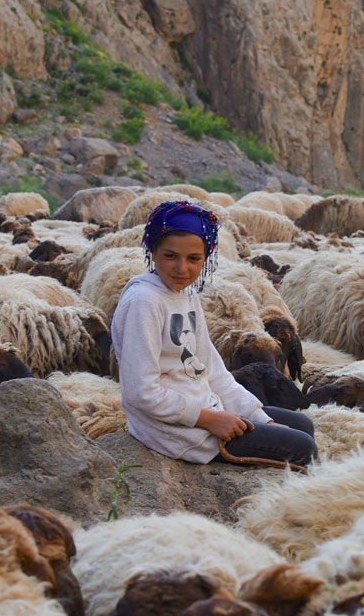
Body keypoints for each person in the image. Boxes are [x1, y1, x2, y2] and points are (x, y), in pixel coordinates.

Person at [109, 200, 318, 467]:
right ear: (152, 250)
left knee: (301, 424)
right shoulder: (144, 302)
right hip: (175, 429)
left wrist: (259, 417)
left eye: (194, 259)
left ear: (207, 257)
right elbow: (140, 392)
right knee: (304, 448)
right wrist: (210, 419)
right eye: (170, 256)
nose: (182, 269)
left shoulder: (186, 294)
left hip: (204, 406)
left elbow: (211, 371)